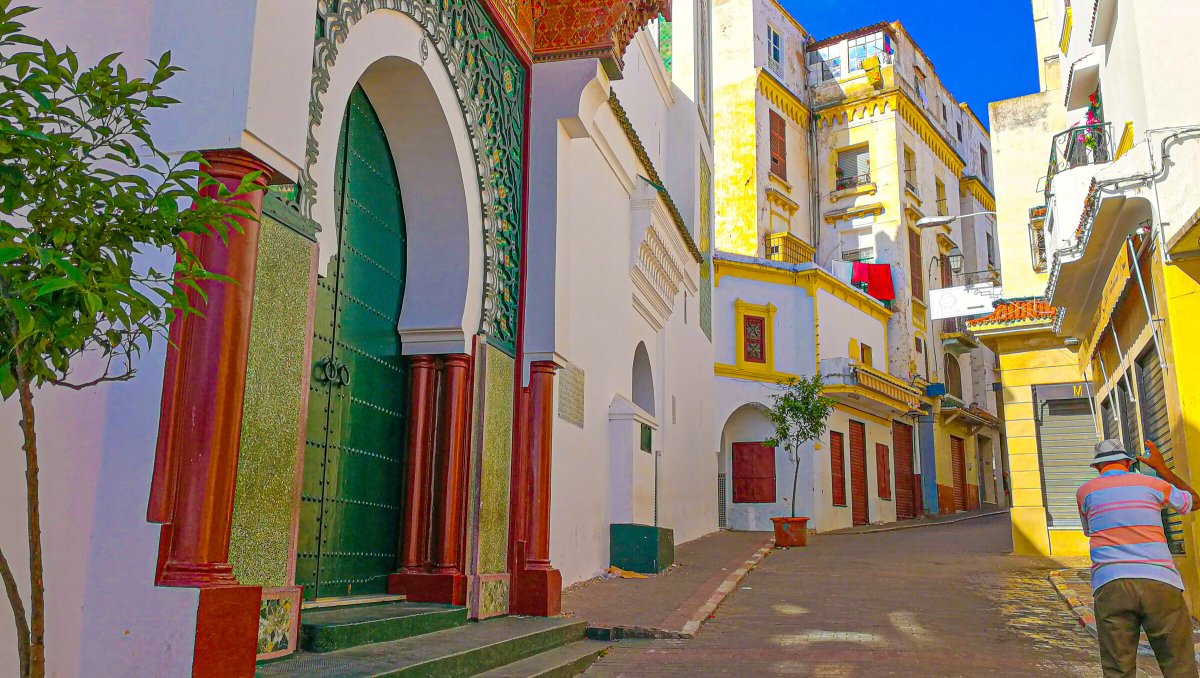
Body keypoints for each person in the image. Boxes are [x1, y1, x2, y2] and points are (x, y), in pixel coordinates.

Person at [1077, 438, 1200, 677]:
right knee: (1179, 666)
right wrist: (1162, 469)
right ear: (1127, 461)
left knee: (1117, 670)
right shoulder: (1152, 484)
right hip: (1160, 581)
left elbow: (1089, 531)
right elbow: (1194, 501)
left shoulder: (1085, 493)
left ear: (1097, 467)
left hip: (1110, 583)